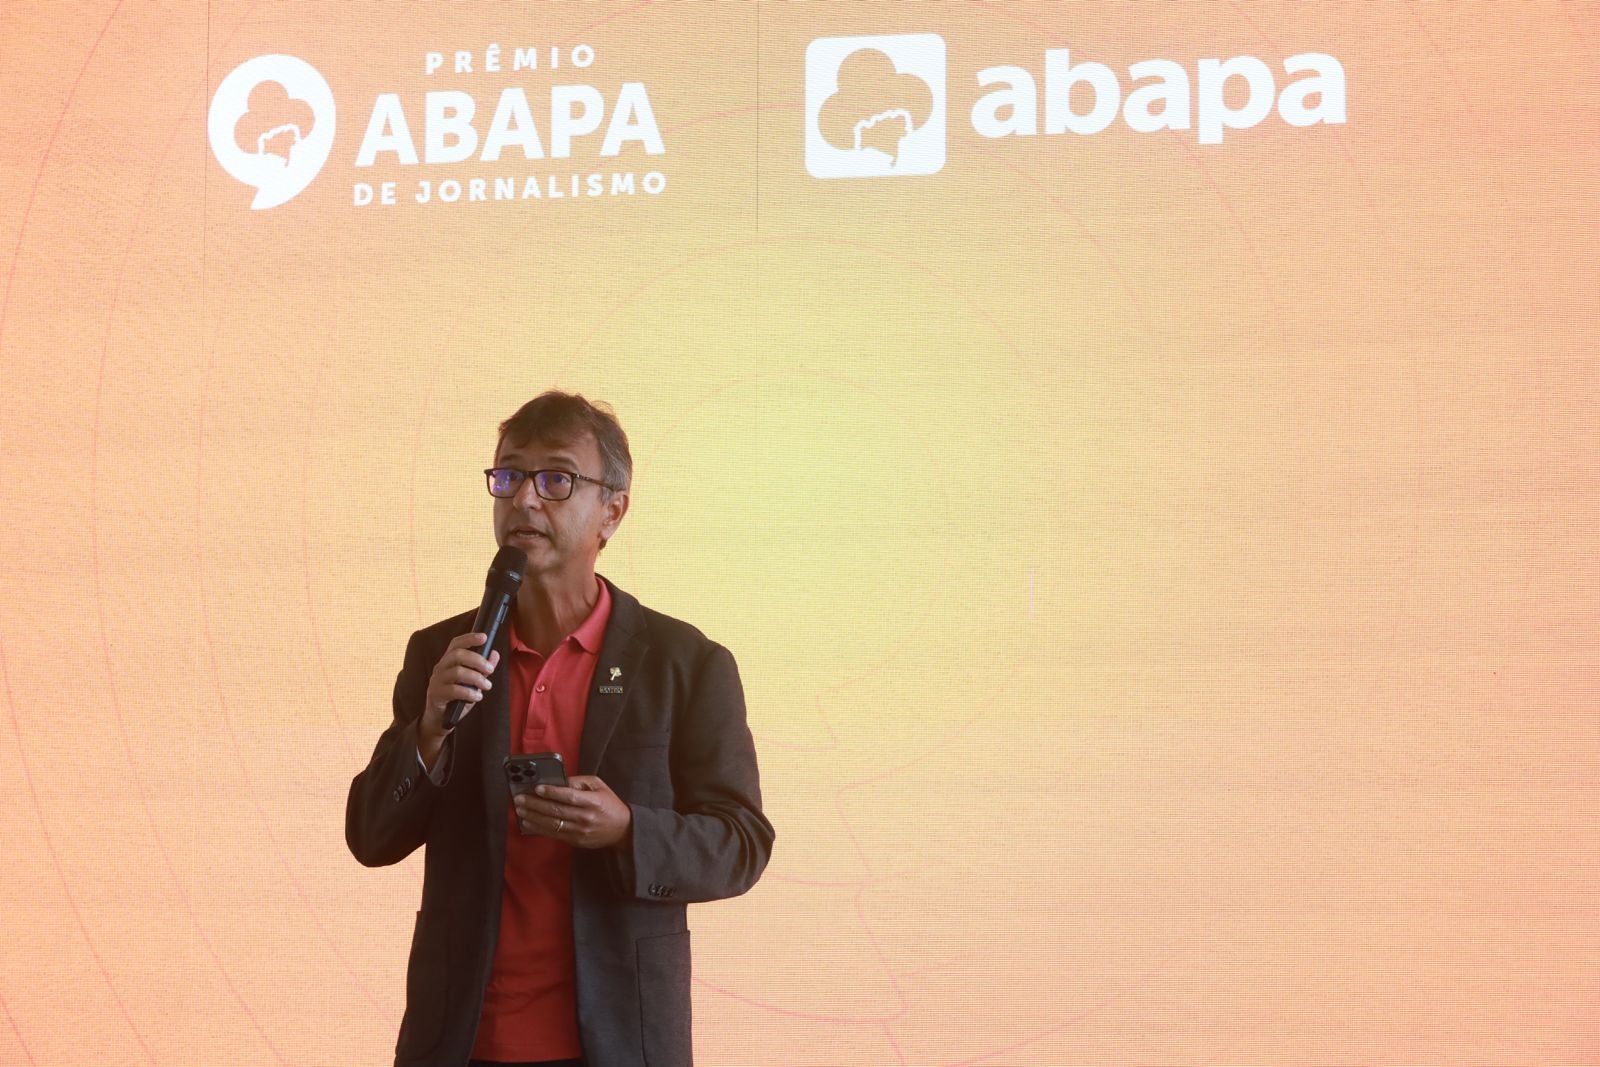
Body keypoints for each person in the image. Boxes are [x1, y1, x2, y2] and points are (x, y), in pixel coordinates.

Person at [346, 391, 774, 1067]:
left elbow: (741, 843)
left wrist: (627, 829)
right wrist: (428, 731)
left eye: (556, 479)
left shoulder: (685, 664)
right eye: (509, 475)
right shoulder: (442, 654)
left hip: (619, 1043)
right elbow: (372, 837)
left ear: (613, 511)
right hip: (460, 1040)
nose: (524, 499)